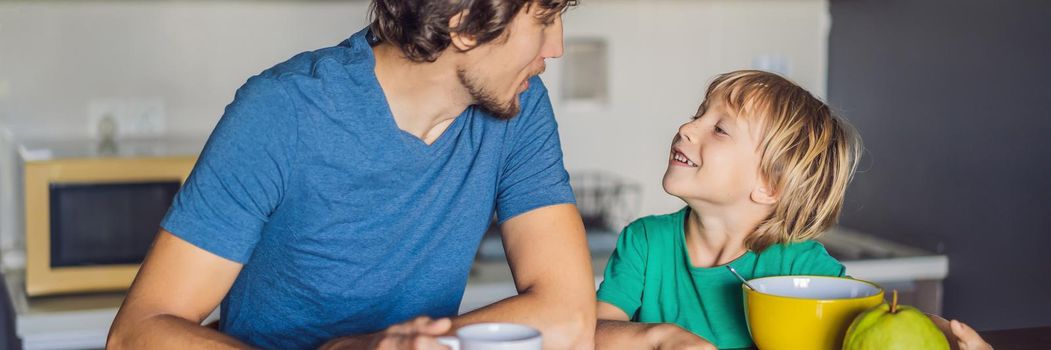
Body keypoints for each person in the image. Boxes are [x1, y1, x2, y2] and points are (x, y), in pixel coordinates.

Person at [107, 1, 597, 349]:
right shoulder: (282, 111)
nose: (555, 47)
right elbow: (139, 332)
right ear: (465, 23)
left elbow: (568, 319)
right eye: (545, 17)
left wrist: (381, 346)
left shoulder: (520, 107)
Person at [592, 70, 993, 350]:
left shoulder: (799, 267)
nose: (686, 127)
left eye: (720, 128)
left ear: (770, 185)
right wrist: (658, 338)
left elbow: (879, 323)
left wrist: (947, 336)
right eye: (700, 114)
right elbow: (585, 333)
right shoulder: (645, 242)